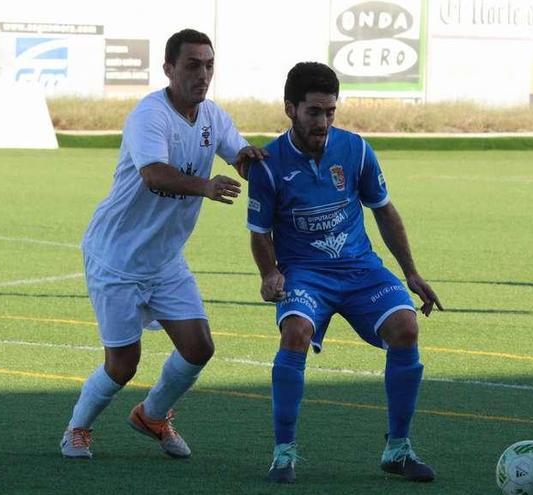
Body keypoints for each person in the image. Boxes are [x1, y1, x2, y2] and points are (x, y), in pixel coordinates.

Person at [60, 28, 266, 460]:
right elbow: (153, 174)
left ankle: (152, 415)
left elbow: (241, 155)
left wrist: (260, 163)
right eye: (192, 65)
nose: (203, 74)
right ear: (169, 69)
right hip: (116, 258)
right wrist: (205, 187)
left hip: (164, 262)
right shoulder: (149, 116)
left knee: (198, 347)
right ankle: (78, 428)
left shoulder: (213, 116)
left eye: (209, 65)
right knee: (123, 364)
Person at [246, 62, 443, 484]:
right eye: (314, 112)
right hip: (306, 274)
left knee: (406, 327)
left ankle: (398, 449)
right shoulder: (266, 164)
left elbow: (384, 212)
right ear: (290, 109)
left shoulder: (355, 150)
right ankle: (283, 454)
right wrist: (268, 273)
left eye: (331, 111)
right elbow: (259, 233)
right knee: (294, 332)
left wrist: (410, 273)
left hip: (359, 269)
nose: (323, 122)